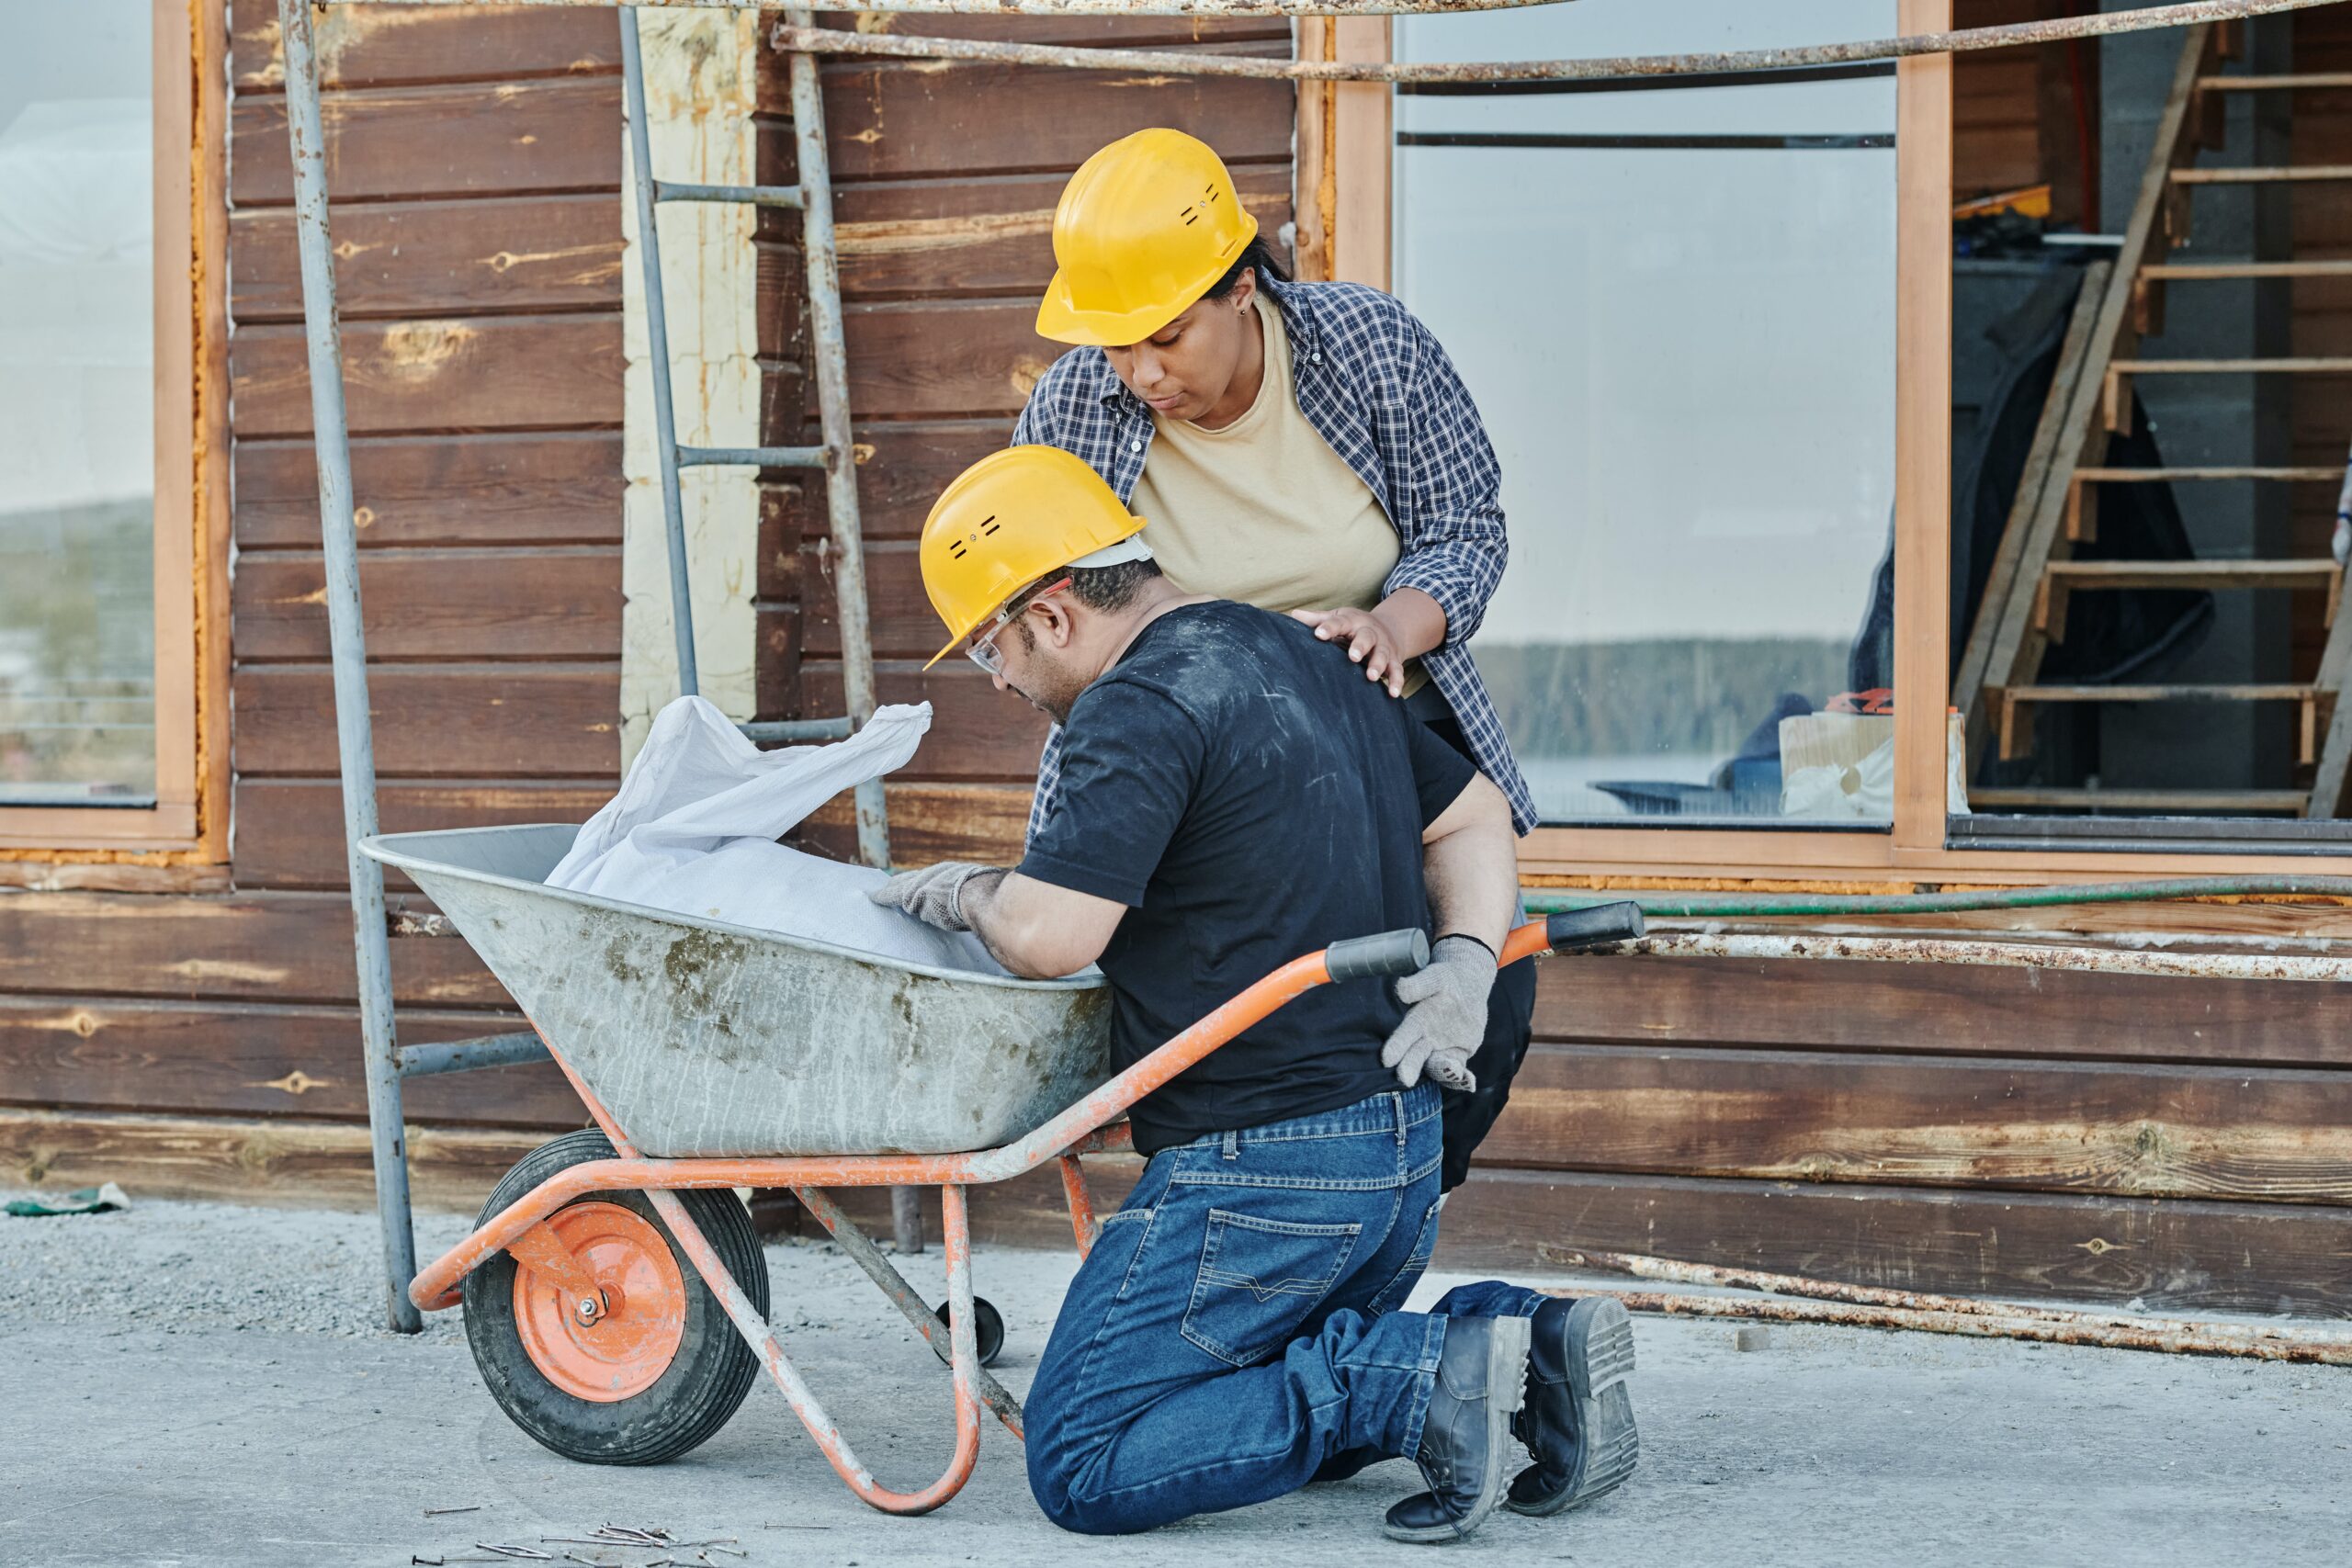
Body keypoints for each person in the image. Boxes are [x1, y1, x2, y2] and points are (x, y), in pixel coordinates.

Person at [872, 446, 1636, 1540]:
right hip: (1397, 1161)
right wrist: (1466, 961)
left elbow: (1049, 937)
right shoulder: (1311, 647)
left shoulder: (1134, 705)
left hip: (1264, 1176)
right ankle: (1528, 1345)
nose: (995, 678)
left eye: (989, 646)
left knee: (1085, 1456)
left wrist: (963, 890)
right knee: (1249, 1388)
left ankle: (1420, 1374)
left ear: (1049, 615)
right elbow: (1472, 814)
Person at [1015, 128, 1538, 1193]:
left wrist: (1394, 624)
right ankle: (1250, 1241)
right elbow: (1049, 606)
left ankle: (1379, 1234)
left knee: (1475, 1019)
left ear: (1242, 288)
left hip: (1380, 721)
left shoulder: (1370, 347)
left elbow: (1467, 529)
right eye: (1114, 346)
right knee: (1229, 1029)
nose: (1141, 373)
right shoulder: (1075, 406)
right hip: (1195, 754)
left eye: (1165, 337)